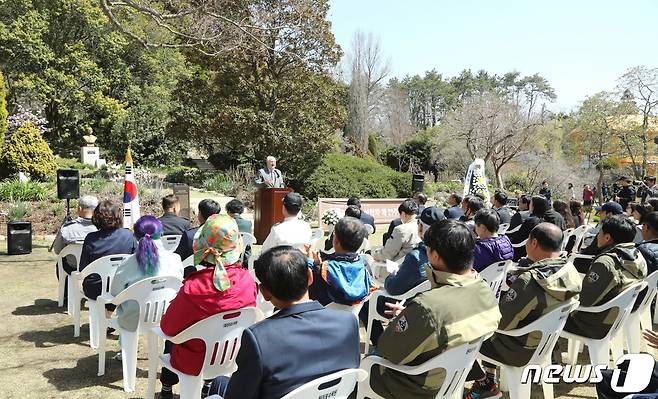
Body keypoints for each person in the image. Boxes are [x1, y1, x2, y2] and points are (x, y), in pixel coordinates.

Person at [366, 220, 501, 399]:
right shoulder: (484, 288)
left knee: (366, 365)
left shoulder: (428, 306)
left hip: (419, 384)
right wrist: (411, 316)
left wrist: (410, 317)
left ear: (435, 255)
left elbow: (389, 351)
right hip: (456, 375)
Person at [207, 246, 360, 399]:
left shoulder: (259, 338)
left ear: (265, 292)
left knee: (219, 384)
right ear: (310, 277)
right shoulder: (348, 322)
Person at [464, 223, 582, 399]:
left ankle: (484, 383)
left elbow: (501, 322)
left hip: (518, 347)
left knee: (461, 334)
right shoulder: (569, 269)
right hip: (543, 341)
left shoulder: (530, 281)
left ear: (533, 243)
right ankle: (489, 376)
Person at [158, 214, 257, 399]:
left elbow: (168, 327)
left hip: (194, 361)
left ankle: (167, 388)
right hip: (233, 354)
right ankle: (208, 386)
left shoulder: (193, 287)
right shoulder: (247, 280)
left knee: (171, 341)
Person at [359, 206, 444, 347]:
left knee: (366, 304)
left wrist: (392, 276)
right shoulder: (446, 252)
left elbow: (393, 288)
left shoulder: (417, 256)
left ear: (421, 227)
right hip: (430, 302)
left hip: (407, 303)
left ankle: (381, 343)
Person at [563, 215, 647, 339]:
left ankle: (550, 355)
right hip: (615, 319)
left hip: (593, 324)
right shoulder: (636, 255)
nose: (597, 236)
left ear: (607, 237)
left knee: (547, 313)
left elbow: (584, 301)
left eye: (599, 232)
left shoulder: (605, 263)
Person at [110, 216, 184, 332]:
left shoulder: (128, 263)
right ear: (161, 234)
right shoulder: (175, 259)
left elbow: (115, 293)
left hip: (133, 320)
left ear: (135, 236)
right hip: (167, 316)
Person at [307, 217, 374, 306]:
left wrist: (312, 262)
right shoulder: (364, 266)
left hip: (324, 317)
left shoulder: (324, 268)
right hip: (351, 316)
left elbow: (312, 291)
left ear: (336, 241)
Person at [79, 200, 137, 300]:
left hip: (95, 289)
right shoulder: (129, 236)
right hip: (122, 287)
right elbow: (135, 263)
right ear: (118, 216)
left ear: (96, 217)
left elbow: (82, 268)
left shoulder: (91, 238)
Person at [53, 195, 99, 279]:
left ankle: (66, 289)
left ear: (79, 209)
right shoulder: (102, 228)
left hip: (72, 269)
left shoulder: (67, 229)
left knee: (60, 262)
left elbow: (57, 250)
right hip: (96, 269)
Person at [573, 201, 624, 272]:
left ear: (609, 214)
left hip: (592, 262)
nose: (599, 213)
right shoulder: (624, 228)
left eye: (602, 211)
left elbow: (594, 249)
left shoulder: (606, 229)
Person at [174, 199, 221, 267]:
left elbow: (178, 257)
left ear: (200, 214)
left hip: (193, 273)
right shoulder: (223, 235)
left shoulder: (189, 235)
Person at [508, 196, 550, 260]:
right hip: (536, 253)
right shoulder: (545, 221)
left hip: (521, 252)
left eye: (531, 203)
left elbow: (517, 239)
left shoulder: (531, 220)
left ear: (534, 206)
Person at [225, 199, 253, 265]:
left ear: (228, 211)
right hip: (243, 256)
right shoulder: (248, 224)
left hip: (228, 255)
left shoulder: (225, 223)